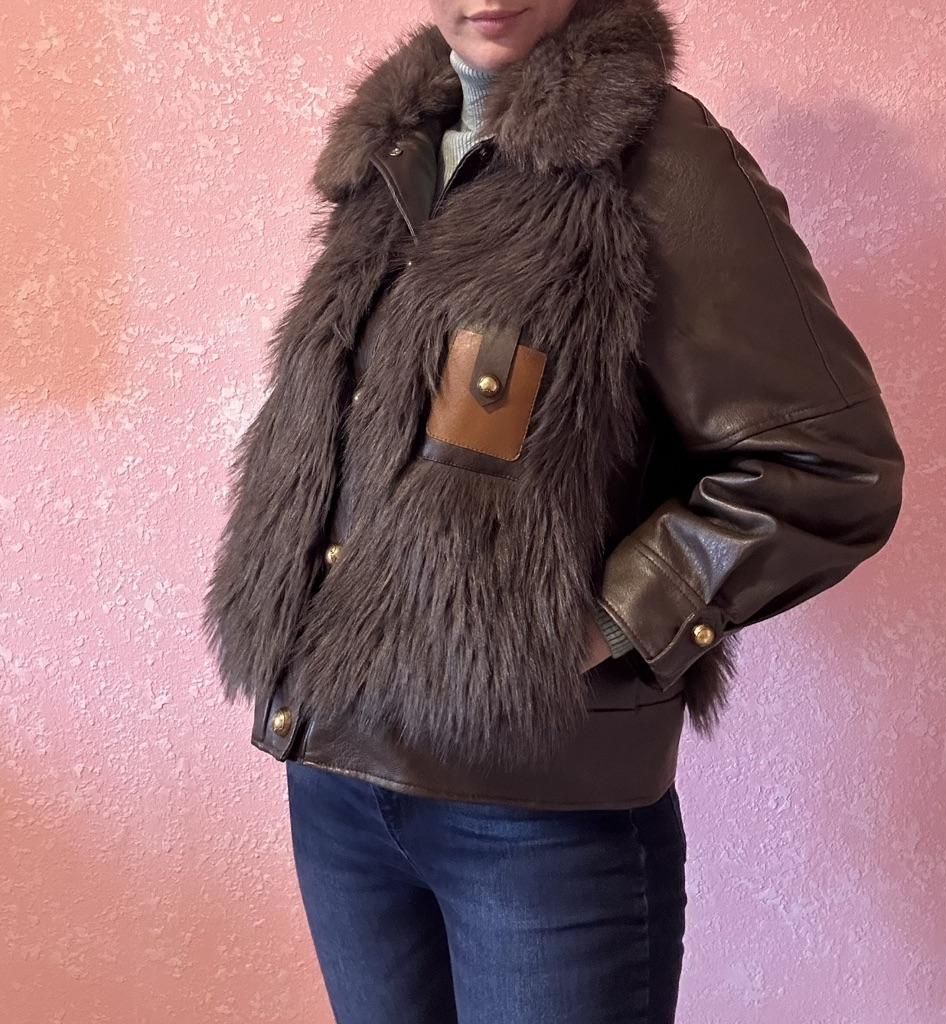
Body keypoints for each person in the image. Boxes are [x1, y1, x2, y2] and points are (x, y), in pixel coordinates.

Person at [201, 1, 906, 1021]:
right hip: (336, 785)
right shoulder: (397, 154)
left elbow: (826, 464)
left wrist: (596, 626)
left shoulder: (661, 162)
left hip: (535, 825)